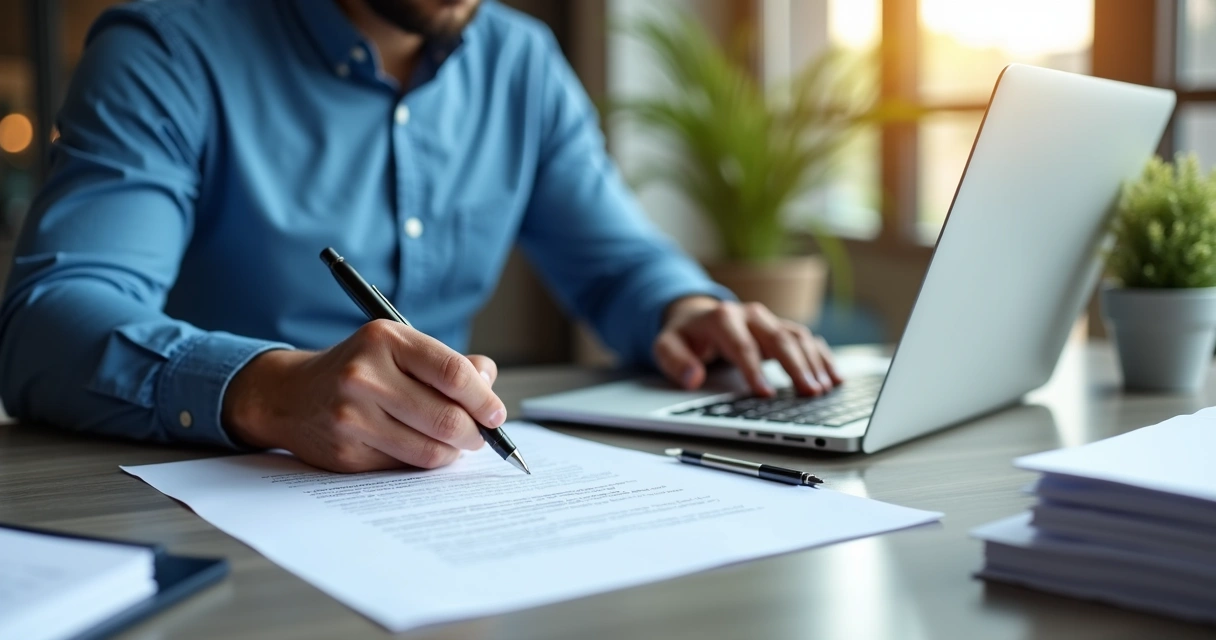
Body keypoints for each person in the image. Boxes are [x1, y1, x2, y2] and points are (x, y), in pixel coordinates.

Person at [0, 0, 839, 473]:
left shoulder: (522, 63)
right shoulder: (168, 47)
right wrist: (270, 390)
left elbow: (618, 260)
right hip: (202, 496)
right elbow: (47, 321)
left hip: (439, 500)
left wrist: (684, 307)